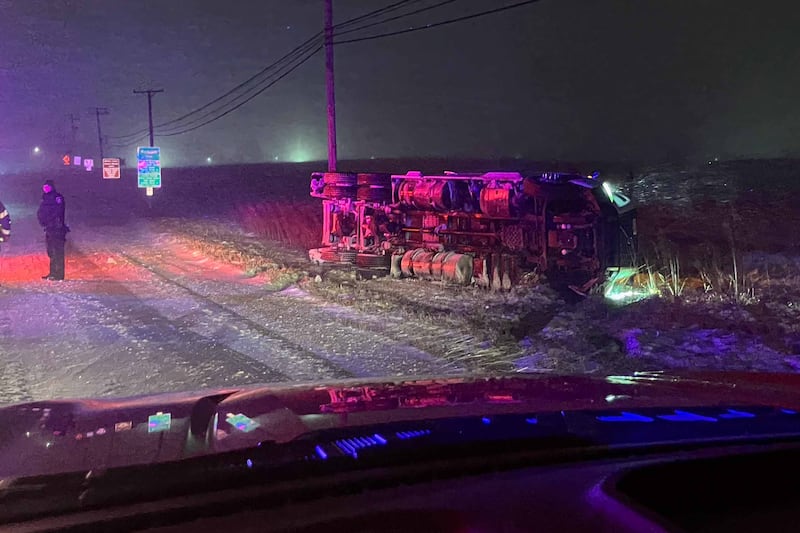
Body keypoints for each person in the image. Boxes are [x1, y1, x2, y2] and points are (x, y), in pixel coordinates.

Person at [37, 179, 68, 281]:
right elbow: (41, 211)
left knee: (58, 251)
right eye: (44, 187)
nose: (45, 189)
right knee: (50, 251)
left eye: (47, 187)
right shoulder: (44, 198)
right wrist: (42, 220)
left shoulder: (57, 197)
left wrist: (50, 220)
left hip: (57, 228)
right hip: (49, 228)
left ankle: (59, 274)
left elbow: (59, 211)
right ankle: (52, 272)